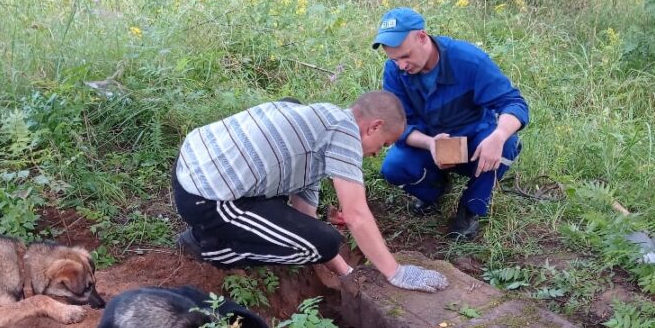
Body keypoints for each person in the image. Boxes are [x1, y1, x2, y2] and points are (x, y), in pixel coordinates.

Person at [173, 92, 449, 293]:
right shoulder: (345, 133)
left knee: (319, 240)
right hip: (206, 196)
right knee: (325, 242)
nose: (377, 153)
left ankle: (219, 229)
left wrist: (346, 273)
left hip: (193, 158)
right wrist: (397, 272)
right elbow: (355, 215)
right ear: (373, 126)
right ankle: (207, 244)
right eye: (384, 143)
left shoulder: (320, 121)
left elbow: (304, 220)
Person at [372, 7, 530, 240]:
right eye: (394, 60)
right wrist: (430, 144)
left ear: (422, 37)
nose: (401, 65)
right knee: (394, 167)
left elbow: (513, 103)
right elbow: (397, 124)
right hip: (429, 145)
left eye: (405, 56)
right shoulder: (395, 71)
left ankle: (470, 208)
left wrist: (498, 136)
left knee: (506, 144)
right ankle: (434, 190)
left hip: (473, 143)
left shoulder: (469, 61)